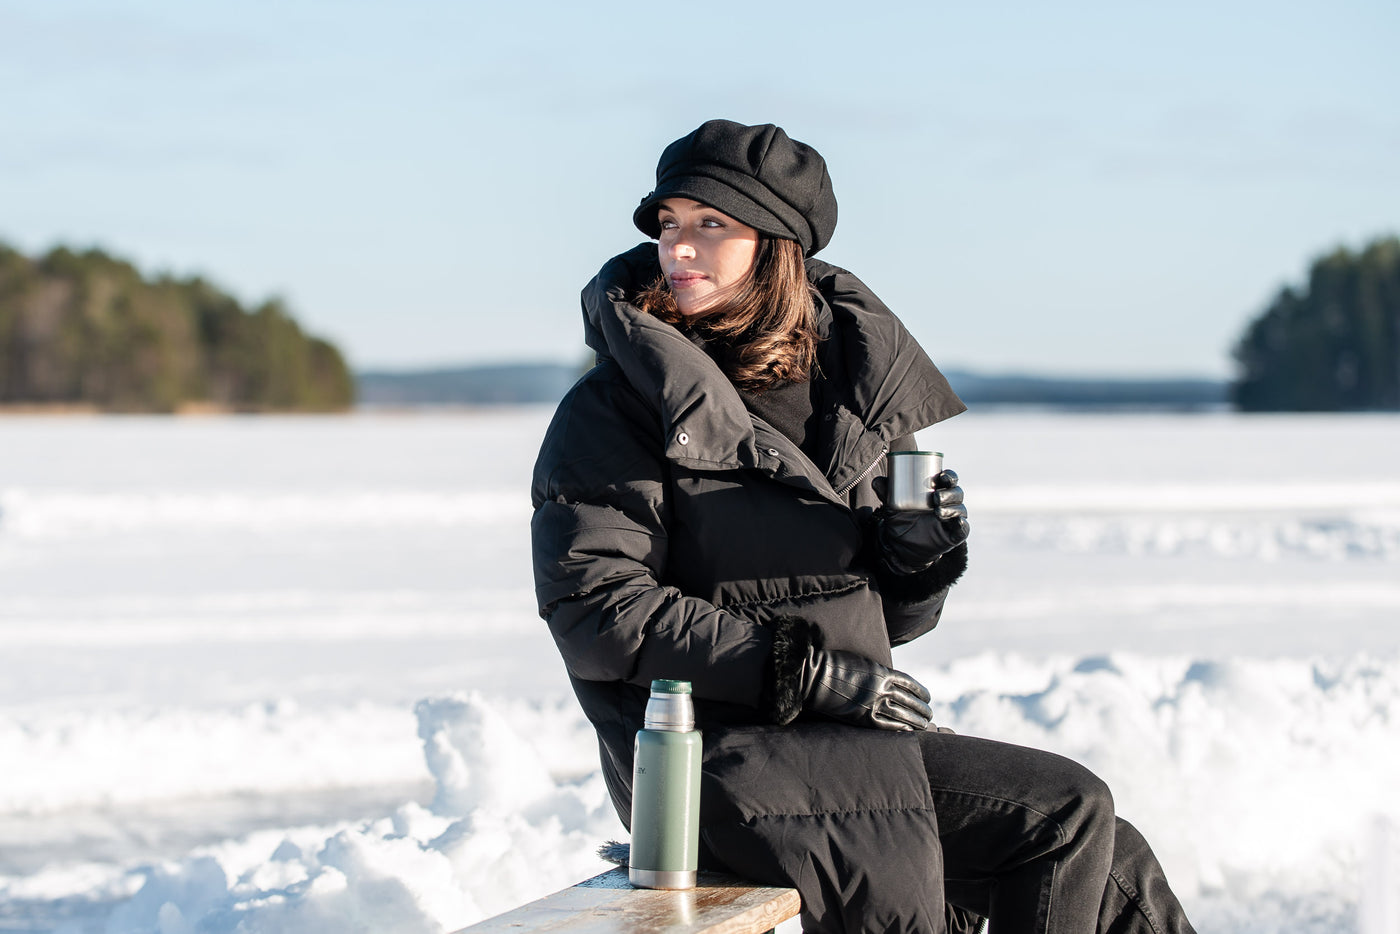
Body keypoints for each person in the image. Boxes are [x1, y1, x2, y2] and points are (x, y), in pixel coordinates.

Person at [531, 119, 1196, 934]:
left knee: (1112, 856)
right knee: (1065, 813)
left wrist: (917, 565)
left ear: (779, 245)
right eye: (670, 223)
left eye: (711, 225)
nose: (680, 248)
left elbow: (893, 623)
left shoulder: (855, 390)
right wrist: (801, 673)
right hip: (716, 755)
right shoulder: (619, 408)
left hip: (844, 731)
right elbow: (597, 610)